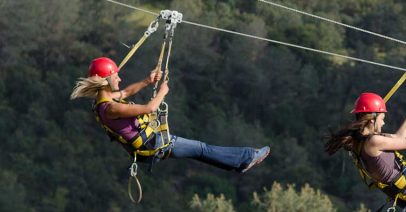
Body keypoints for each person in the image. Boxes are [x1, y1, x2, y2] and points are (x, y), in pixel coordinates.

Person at [70, 56, 270, 172]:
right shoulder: (111, 108)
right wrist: (163, 92)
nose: (120, 79)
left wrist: (148, 81)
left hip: (150, 147)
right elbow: (149, 109)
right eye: (116, 76)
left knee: (200, 152)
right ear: (105, 80)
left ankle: (239, 163)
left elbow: (127, 92)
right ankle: (246, 157)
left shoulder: (103, 102)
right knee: (202, 148)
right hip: (155, 144)